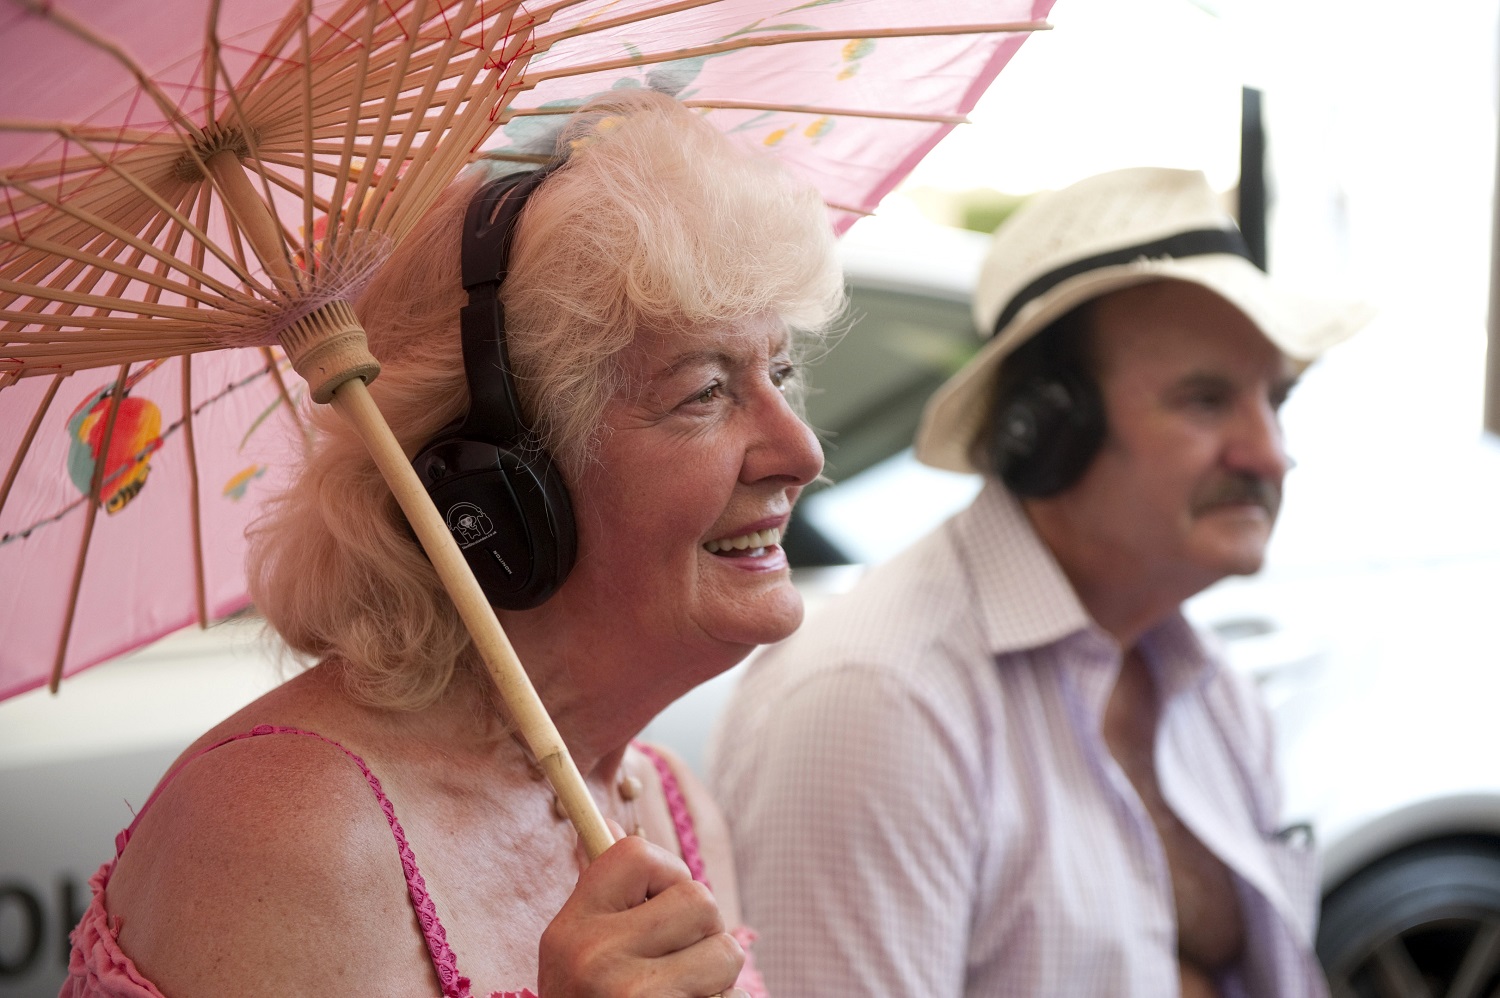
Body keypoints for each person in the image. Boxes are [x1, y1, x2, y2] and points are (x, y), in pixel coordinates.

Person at [63, 89, 844, 997]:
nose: (802, 452)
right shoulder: (284, 834)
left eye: (780, 370)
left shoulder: (668, 805)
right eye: (705, 391)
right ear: (506, 491)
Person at [709, 167, 1374, 998]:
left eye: (1276, 399)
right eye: (1206, 401)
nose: (1269, 453)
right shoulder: (876, 700)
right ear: (1045, 430)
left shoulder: (1208, 688)